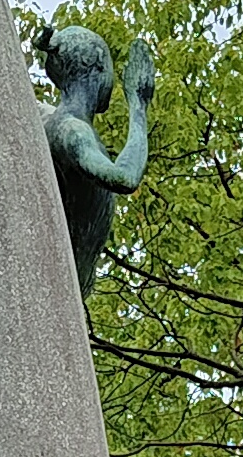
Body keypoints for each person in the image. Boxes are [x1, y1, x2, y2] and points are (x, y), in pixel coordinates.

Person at [37, 21, 157, 295]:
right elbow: (124, 178)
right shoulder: (72, 131)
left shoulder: (53, 121)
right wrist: (138, 106)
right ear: (100, 70)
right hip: (60, 291)